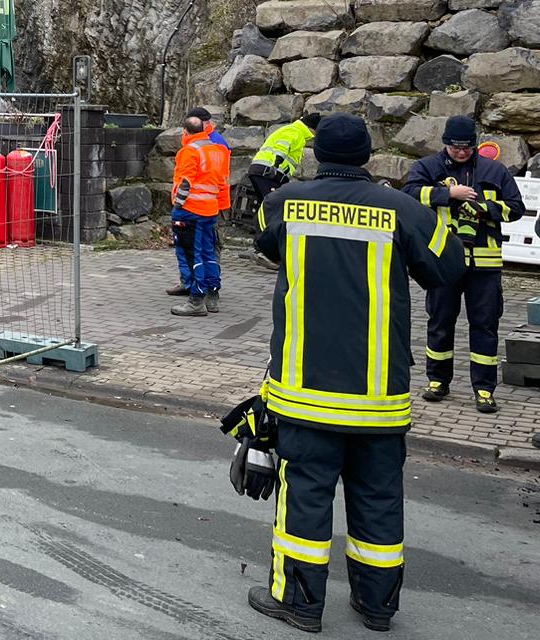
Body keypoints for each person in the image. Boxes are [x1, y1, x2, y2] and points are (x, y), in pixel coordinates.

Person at [248, 113, 463, 633]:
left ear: (317, 153)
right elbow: (449, 266)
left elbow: (264, 239)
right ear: (367, 156)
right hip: (379, 397)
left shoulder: (284, 204)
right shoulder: (401, 210)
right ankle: (377, 606)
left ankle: (299, 603)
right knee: (379, 500)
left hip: (304, 393)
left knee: (305, 497)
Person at [403, 115, 526, 414]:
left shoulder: (494, 170)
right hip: (444, 261)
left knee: (485, 325)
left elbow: (516, 209)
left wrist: (485, 209)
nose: (460, 152)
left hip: (484, 264)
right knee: (440, 322)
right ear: (445, 143)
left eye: (466, 147)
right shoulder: (429, 167)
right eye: (455, 147)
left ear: (475, 144)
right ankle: (437, 381)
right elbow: (408, 195)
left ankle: (484, 389)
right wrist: (447, 194)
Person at [167, 107, 230, 316]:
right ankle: (212, 295)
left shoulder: (190, 151)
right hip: (210, 209)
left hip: (190, 211)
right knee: (208, 253)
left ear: (185, 132)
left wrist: (178, 205)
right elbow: (222, 183)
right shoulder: (217, 150)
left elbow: (185, 182)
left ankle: (196, 300)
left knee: (191, 255)